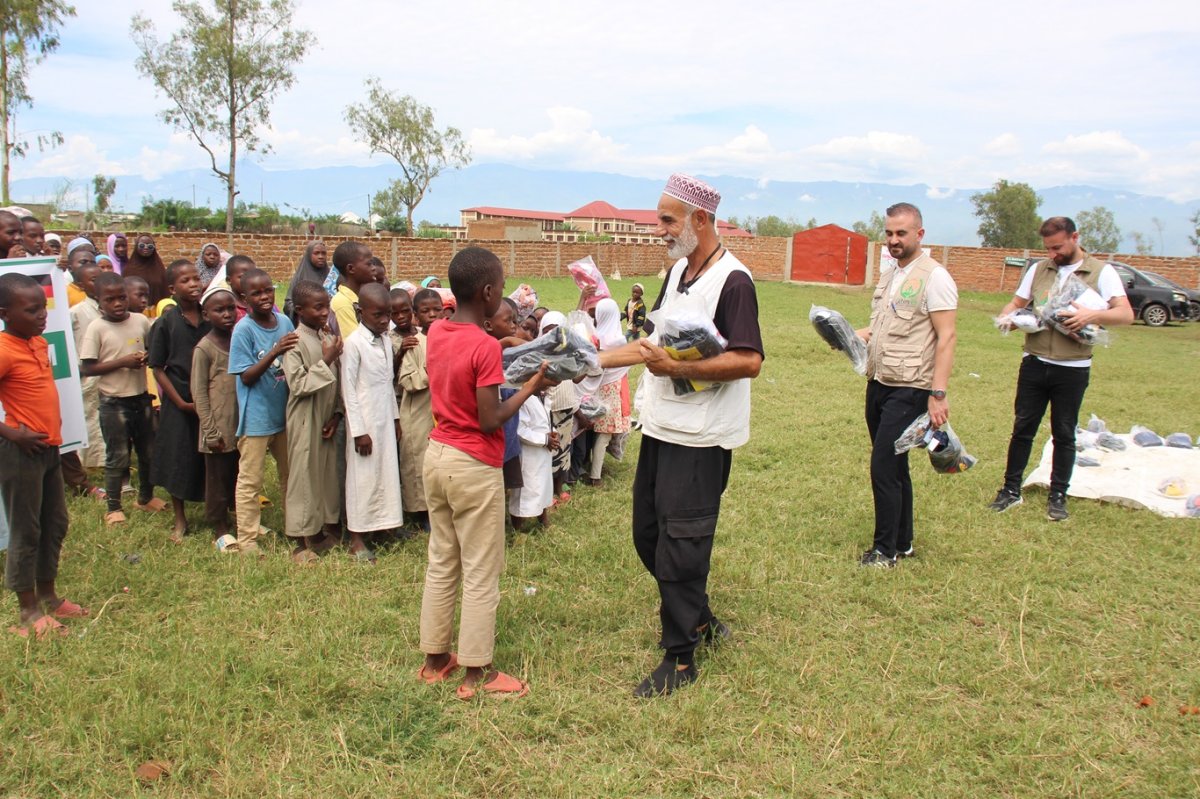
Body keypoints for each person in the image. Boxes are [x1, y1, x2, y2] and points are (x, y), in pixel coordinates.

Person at [598, 174, 764, 697]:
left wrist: (674, 369)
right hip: (664, 428)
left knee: (682, 542)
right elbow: (654, 345)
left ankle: (681, 658)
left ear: (701, 220)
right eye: (659, 218)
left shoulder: (734, 281)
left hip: (702, 437)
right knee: (648, 535)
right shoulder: (675, 273)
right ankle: (700, 619)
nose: (658, 229)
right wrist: (591, 362)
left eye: (668, 219)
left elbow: (749, 360)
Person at [417, 246, 553, 700]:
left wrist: (505, 347)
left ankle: (436, 660)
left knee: (442, 560)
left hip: (436, 456)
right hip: (473, 464)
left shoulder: (438, 330)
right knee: (480, 568)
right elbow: (490, 418)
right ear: (490, 291)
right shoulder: (482, 347)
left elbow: (468, 353)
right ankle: (478, 671)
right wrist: (532, 385)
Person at [989, 216, 1133, 521]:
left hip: (1072, 367)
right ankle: (1010, 490)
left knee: (1064, 432)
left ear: (1075, 237)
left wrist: (1091, 315)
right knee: (1023, 427)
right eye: (1048, 248)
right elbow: (1016, 302)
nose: (1053, 253)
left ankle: (1058, 496)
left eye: (1057, 247)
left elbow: (1125, 314)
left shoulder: (1100, 272)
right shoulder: (1039, 270)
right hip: (1035, 362)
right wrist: (1009, 319)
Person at [855, 203, 957, 567]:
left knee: (883, 465)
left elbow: (946, 337)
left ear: (920, 234)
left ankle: (884, 552)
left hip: (911, 387)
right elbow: (882, 327)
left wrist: (938, 394)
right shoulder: (890, 274)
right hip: (880, 380)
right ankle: (904, 541)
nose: (894, 240)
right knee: (895, 467)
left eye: (902, 233)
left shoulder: (935, 277)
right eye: (889, 233)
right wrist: (849, 334)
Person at [0, 272, 87, 638]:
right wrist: (12, 432)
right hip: (21, 452)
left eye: (43, 307)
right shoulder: (4, 350)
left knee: (55, 522)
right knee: (27, 529)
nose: (42, 315)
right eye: (32, 309)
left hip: (50, 447)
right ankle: (28, 611)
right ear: (5, 313)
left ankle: (49, 595)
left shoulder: (36, 343)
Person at [79, 272, 163, 526]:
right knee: (117, 455)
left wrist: (147, 357)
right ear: (98, 300)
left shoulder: (140, 321)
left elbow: (153, 349)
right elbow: (87, 368)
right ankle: (113, 506)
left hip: (141, 398)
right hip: (114, 402)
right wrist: (122, 362)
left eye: (121, 298)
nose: (117, 304)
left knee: (148, 452)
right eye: (110, 299)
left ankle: (145, 497)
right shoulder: (97, 328)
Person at [228, 268, 297, 554]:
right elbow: (245, 376)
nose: (264, 297)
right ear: (244, 298)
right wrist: (274, 351)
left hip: (284, 413)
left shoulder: (283, 322)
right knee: (250, 480)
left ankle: (295, 528)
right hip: (256, 417)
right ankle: (247, 539)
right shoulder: (243, 330)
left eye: (268, 290)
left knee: (290, 476)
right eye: (256, 293)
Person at [282, 280, 344, 563]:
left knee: (323, 474)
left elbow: (338, 378)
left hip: (325, 416)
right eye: (318, 307)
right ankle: (298, 539)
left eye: (326, 306)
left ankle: (318, 531)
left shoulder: (326, 335)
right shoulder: (295, 342)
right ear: (299, 309)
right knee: (304, 476)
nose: (324, 312)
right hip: (305, 417)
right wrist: (327, 358)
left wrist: (337, 414)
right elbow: (298, 384)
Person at [341, 283, 403, 562]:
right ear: (360, 311)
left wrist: (395, 418)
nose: (384, 320)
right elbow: (348, 391)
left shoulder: (386, 340)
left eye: (387, 314)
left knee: (386, 473)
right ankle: (356, 538)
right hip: (364, 420)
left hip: (384, 418)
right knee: (363, 478)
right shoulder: (353, 344)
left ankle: (384, 527)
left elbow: (388, 383)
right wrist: (359, 431)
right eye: (377, 314)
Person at [149, 260, 209, 541]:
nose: (194, 284)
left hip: (209, 399)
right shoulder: (166, 323)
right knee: (178, 457)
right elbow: (158, 367)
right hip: (180, 399)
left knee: (211, 457)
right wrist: (180, 402)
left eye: (196, 278)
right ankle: (180, 518)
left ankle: (216, 509)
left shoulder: (210, 318)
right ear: (172, 288)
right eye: (186, 281)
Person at [191, 283, 240, 541]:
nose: (227, 314)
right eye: (219, 310)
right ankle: (220, 526)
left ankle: (237, 516)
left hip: (239, 423)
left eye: (231, 308)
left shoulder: (239, 340)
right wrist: (210, 430)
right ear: (206, 314)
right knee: (218, 478)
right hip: (217, 427)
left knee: (236, 474)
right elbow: (199, 393)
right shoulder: (204, 349)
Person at [390, 287, 430, 532]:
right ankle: (414, 512)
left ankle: (427, 509)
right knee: (410, 459)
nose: (401, 316)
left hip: (427, 406)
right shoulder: (391, 339)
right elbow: (392, 376)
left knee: (424, 457)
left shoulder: (423, 336)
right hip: (400, 402)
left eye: (406, 311)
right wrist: (401, 352)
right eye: (395, 313)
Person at [582, 296, 631, 486]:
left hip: (595, 390)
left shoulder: (594, 338)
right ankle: (595, 476)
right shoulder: (618, 340)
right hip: (613, 391)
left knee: (596, 432)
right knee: (605, 434)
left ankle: (590, 464)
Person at [68, 250, 106, 472]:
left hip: (107, 370)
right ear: (81, 286)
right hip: (86, 370)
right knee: (89, 415)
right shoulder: (77, 312)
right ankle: (90, 460)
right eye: (93, 281)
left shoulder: (107, 310)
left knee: (103, 416)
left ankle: (104, 458)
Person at [539, 312, 578, 507]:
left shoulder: (569, 351)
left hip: (566, 404)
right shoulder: (539, 353)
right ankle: (548, 492)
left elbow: (577, 377)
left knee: (564, 450)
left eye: (556, 330)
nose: (552, 335)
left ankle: (559, 488)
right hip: (547, 408)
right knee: (549, 451)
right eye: (547, 331)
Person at [331, 241, 372, 337]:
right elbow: (354, 343)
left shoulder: (360, 297)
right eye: (369, 264)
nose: (373, 268)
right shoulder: (342, 303)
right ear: (351, 268)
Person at [282, 240, 331, 322]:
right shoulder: (301, 277)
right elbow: (288, 303)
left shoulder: (330, 277)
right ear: (309, 255)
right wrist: (305, 311)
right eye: (316, 253)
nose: (321, 256)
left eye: (323, 253)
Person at [123, 234, 168, 312]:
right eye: (142, 245)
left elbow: (165, 292)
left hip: (156, 312)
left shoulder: (159, 269)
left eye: (150, 246)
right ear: (136, 247)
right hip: (134, 313)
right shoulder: (129, 270)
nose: (146, 248)